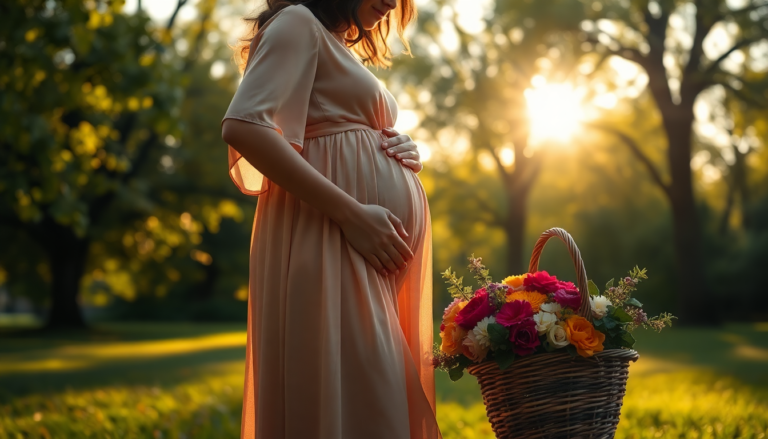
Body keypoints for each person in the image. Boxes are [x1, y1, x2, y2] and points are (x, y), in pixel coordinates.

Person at [221, 0, 442, 437]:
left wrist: (399, 146)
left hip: (360, 247)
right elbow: (244, 126)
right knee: (363, 394)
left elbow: (334, 128)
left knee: (370, 396)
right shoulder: (297, 22)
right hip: (329, 236)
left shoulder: (334, 45)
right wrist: (353, 215)